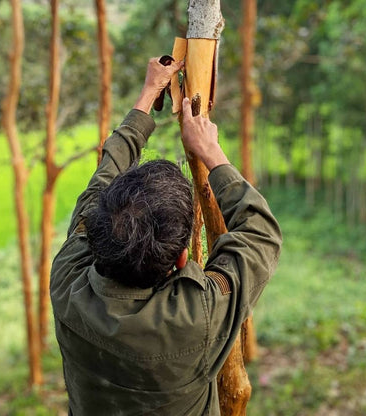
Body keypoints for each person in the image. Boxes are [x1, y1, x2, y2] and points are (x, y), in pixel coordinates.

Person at [50, 56, 282, 416]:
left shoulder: (67, 279)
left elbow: (102, 181)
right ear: (180, 258)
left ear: (99, 230)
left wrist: (147, 95)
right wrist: (209, 149)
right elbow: (262, 234)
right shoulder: (195, 319)